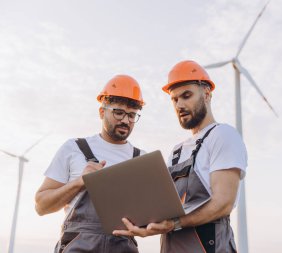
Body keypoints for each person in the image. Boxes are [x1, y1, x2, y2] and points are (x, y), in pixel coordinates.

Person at [113, 60, 248, 253]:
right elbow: (164, 209)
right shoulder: (176, 152)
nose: (180, 105)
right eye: (175, 99)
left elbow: (222, 203)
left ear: (207, 94)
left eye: (186, 96)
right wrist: (142, 222)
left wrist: (174, 224)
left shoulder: (223, 135)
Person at [35, 75, 146, 253]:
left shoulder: (142, 160)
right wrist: (79, 182)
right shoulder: (74, 148)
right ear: (102, 112)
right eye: (119, 112)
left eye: (132, 115)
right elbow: (41, 206)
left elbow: (151, 218)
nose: (126, 120)